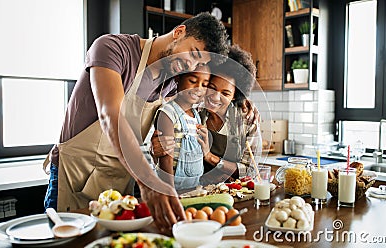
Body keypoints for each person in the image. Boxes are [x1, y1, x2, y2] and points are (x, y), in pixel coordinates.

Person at [43, 12, 229, 231]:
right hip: (76, 174)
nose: (191, 65)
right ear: (179, 32)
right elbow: (110, 115)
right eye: (194, 53)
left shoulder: (169, 82)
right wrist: (148, 181)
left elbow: (202, 96)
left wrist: (243, 103)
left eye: (199, 62)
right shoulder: (113, 49)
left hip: (118, 181)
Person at [151, 45, 262, 185]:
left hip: (233, 191)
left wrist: (209, 156)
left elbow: (250, 170)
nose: (215, 97)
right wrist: (156, 150)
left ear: (235, 96)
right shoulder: (193, 111)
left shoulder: (246, 119)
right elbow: (168, 157)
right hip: (195, 190)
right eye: (211, 87)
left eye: (226, 93)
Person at [154, 66, 210, 191]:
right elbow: (166, 158)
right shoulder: (168, 113)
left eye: (204, 84)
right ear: (178, 77)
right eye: (192, 81)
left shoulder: (196, 115)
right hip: (172, 187)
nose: (198, 89)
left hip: (193, 188)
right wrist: (170, 191)